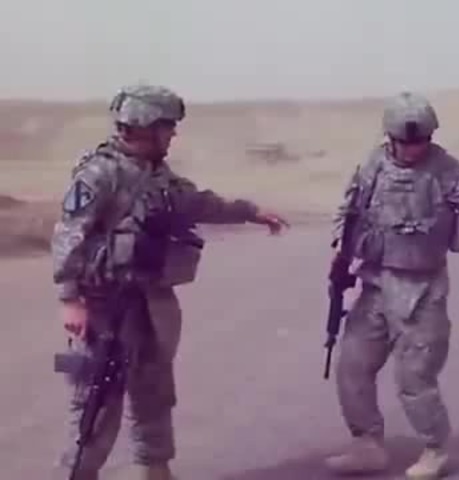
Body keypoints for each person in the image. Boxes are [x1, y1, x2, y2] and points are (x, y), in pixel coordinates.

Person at [50, 83, 289, 480]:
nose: (173, 134)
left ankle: (154, 468)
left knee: (154, 390)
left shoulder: (157, 174)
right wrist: (70, 298)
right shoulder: (99, 174)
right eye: (167, 126)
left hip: (148, 301)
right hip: (105, 304)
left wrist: (250, 211)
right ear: (144, 125)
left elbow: (198, 203)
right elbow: (69, 235)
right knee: (96, 400)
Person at [325, 91, 459, 479]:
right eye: (407, 142)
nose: (415, 148)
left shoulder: (446, 170)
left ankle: (435, 448)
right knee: (352, 366)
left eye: (422, 141)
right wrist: (341, 249)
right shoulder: (373, 164)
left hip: (421, 293)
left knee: (415, 378)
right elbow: (349, 210)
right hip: (375, 284)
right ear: (391, 139)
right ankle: (367, 444)